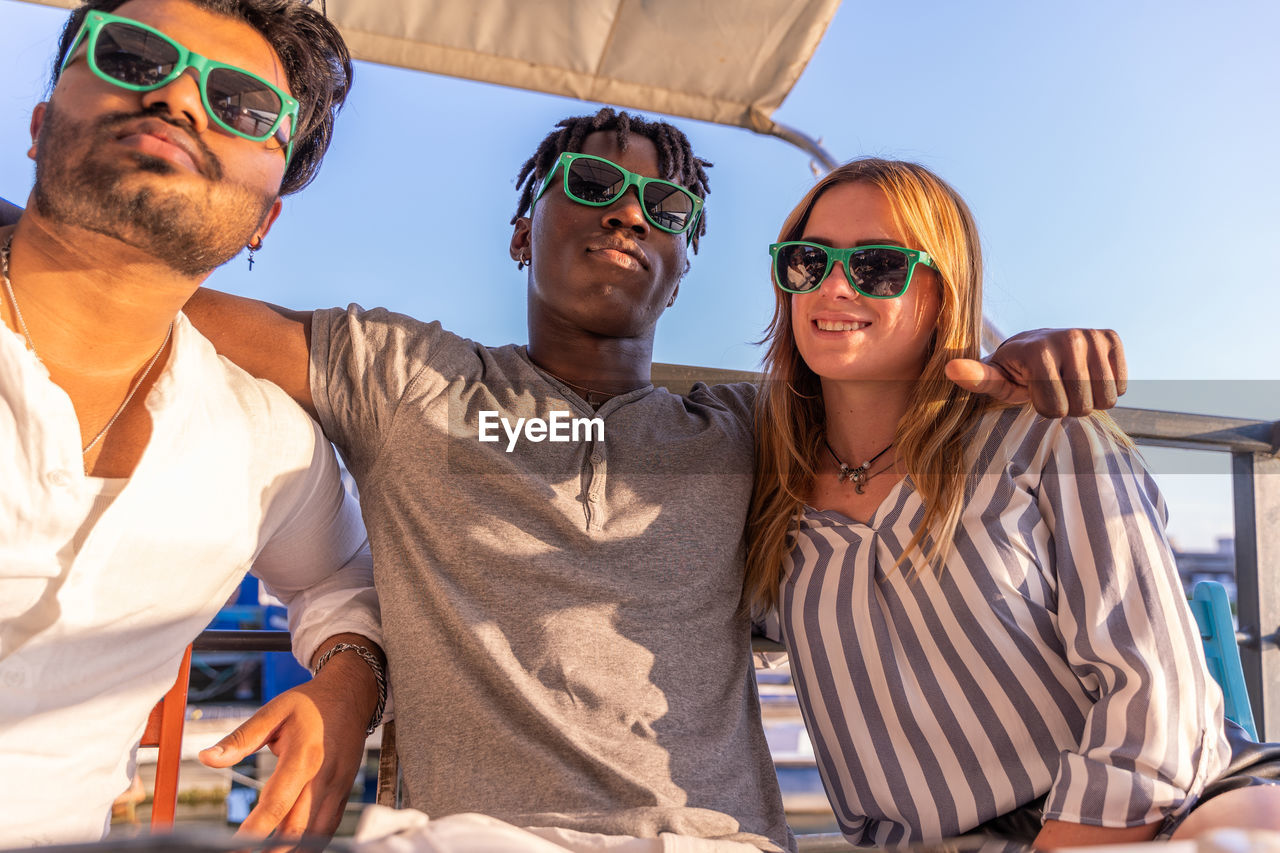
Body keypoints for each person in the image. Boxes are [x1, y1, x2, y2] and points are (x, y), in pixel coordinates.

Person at [185, 107, 1127, 852]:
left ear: (681, 270)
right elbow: (136, 289)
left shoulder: (755, 429)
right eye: (592, 183)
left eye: (666, 208)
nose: (630, 211)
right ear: (523, 232)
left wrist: (1020, 357)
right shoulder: (409, 377)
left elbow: (913, 394)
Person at [744, 157, 1280, 849]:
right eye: (806, 262)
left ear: (945, 292)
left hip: (1175, 810)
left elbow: (1156, 697)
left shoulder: (1049, 436)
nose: (834, 284)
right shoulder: (765, 493)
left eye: (878, 265)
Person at [0, 0, 387, 845]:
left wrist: (347, 690)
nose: (178, 98)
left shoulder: (266, 447)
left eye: (242, 106)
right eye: (134, 58)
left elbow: (342, 584)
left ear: (264, 218)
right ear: (37, 125)